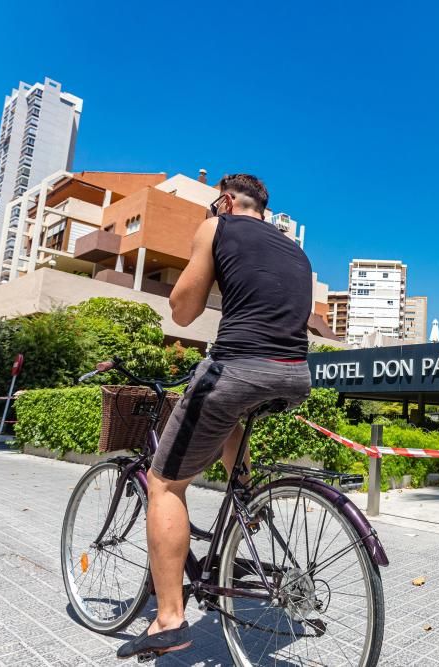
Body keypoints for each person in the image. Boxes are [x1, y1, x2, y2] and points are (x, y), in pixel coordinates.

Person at [116, 174, 313, 660]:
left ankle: (168, 618)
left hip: (237, 366)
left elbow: (182, 312)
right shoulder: (295, 250)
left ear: (225, 201)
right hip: (294, 376)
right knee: (232, 416)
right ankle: (245, 496)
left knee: (164, 484)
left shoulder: (217, 227)